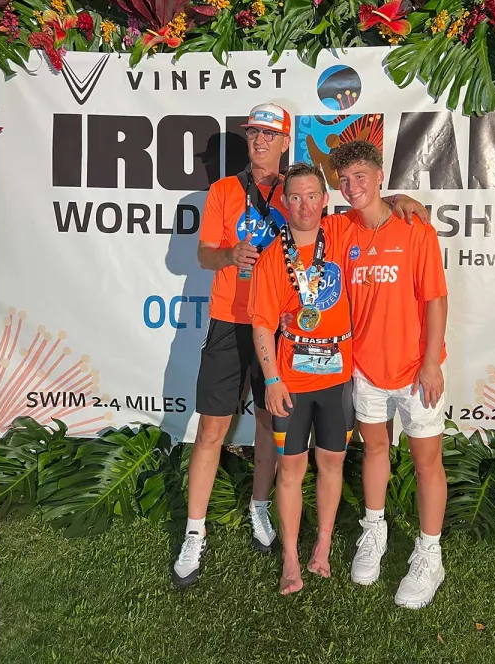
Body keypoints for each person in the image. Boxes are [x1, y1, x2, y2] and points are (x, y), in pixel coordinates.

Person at [172, 102, 428, 588]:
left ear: (286, 141)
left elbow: (363, 205)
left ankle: (261, 508)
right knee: (212, 429)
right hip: (233, 320)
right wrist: (229, 254)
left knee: (273, 426)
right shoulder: (226, 191)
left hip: (292, 336)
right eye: (253, 135)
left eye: (269, 135)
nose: (260, 142)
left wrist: (399, 199)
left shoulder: (312, 204)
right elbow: (205, 253)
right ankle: (194, 531)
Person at [329, 139, 449, 609]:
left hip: (417, 370)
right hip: (366, 369)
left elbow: (435, 298)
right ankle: (374, 531)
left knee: (425, 462)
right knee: (376, 449)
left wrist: (432, 361)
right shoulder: (341, 230)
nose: (352, 187)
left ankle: (430, 554)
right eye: (344, 180)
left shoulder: (414, 228)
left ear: (380, 176)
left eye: (361, 177)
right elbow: (302, 218)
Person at [248, 163, 355, 595]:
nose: (305, 205)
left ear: (326, 200)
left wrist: (406, 202)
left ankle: (323, 544)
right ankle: (291, 557)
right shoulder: (274, 256)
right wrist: (272, 380)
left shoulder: (344, 232)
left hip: (338, 377)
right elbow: (260, 323)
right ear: (284, 202)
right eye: (295, 197)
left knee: (331, 463)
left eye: (313, 195)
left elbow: (383, 213)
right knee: (290, 470)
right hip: (291, 380)